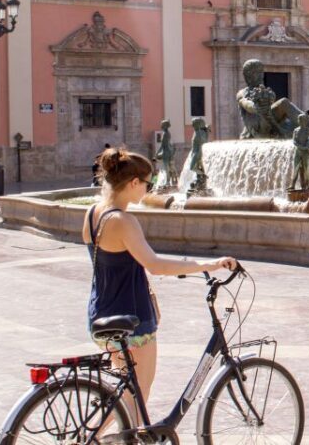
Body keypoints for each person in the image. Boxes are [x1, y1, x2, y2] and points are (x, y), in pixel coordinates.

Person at [84, 148, 236, 418]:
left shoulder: (92, 215)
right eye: (147, 184)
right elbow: (155, 265)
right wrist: (208, 264)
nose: (148, 190)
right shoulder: (123, 220)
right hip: (132, 318)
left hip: (102, 312)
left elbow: (118, 266)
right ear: (133, 183)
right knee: (137, 394)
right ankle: (92, 439)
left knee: (124, 393)